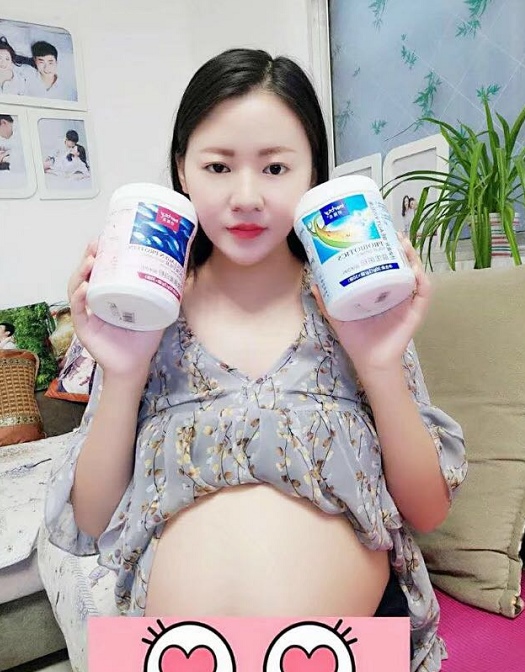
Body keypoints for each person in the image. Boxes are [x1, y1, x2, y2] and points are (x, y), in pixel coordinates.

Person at [45, 48, 466, 671]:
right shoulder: (148, 307)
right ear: (183, 170)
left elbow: (427, 512)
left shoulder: (353, 303)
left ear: (313, 173)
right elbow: (92, 517)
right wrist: (125, 373)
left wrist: (379, 367)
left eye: (275, 167)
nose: (246, 197)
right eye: (218, 166)